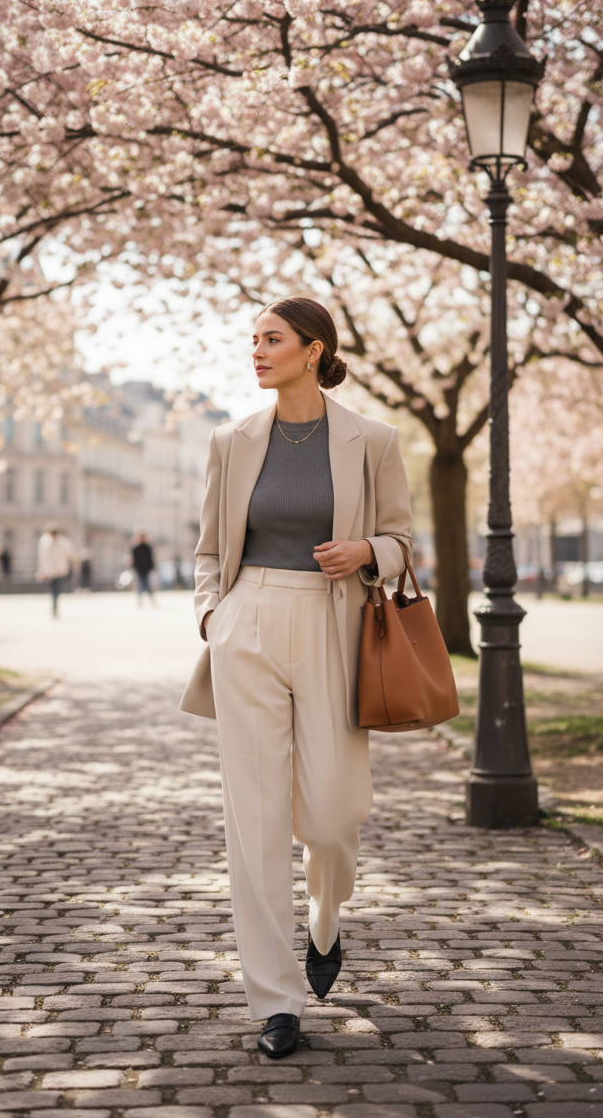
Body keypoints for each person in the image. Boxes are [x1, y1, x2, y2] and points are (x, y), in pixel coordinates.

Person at [180, 296, 413, 1059]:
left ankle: (325, 918)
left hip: (333, 624)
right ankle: (275, 1000)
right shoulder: (230, 439)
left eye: (271, 339)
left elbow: (406, 541)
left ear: (313, 350)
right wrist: (215, 616)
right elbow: (211, 548)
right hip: (247, 625)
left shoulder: (372, 440)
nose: (256, 351)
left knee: (334, 813)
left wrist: (369, 552)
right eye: (252, 340)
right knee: (253, 818)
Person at [36, 524, 79, 617]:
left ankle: (55, 605)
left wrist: (74, 565)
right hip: (50, 570)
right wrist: (41, 570)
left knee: (57, 588)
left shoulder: (64, 542)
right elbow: (42, 558)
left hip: (60, 569)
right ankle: (54, 605)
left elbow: (71, 555)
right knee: (52, 588)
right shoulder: (44, 542)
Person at [131, 532, 156, 605]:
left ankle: (151, 600)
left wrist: (151, 567)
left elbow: (151, 558)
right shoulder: (135, 548)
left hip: (146, 569)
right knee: (139, 585)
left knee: (147, 585)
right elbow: (133, 559)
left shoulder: (147, 547)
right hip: (139, 569)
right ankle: (139, 601)